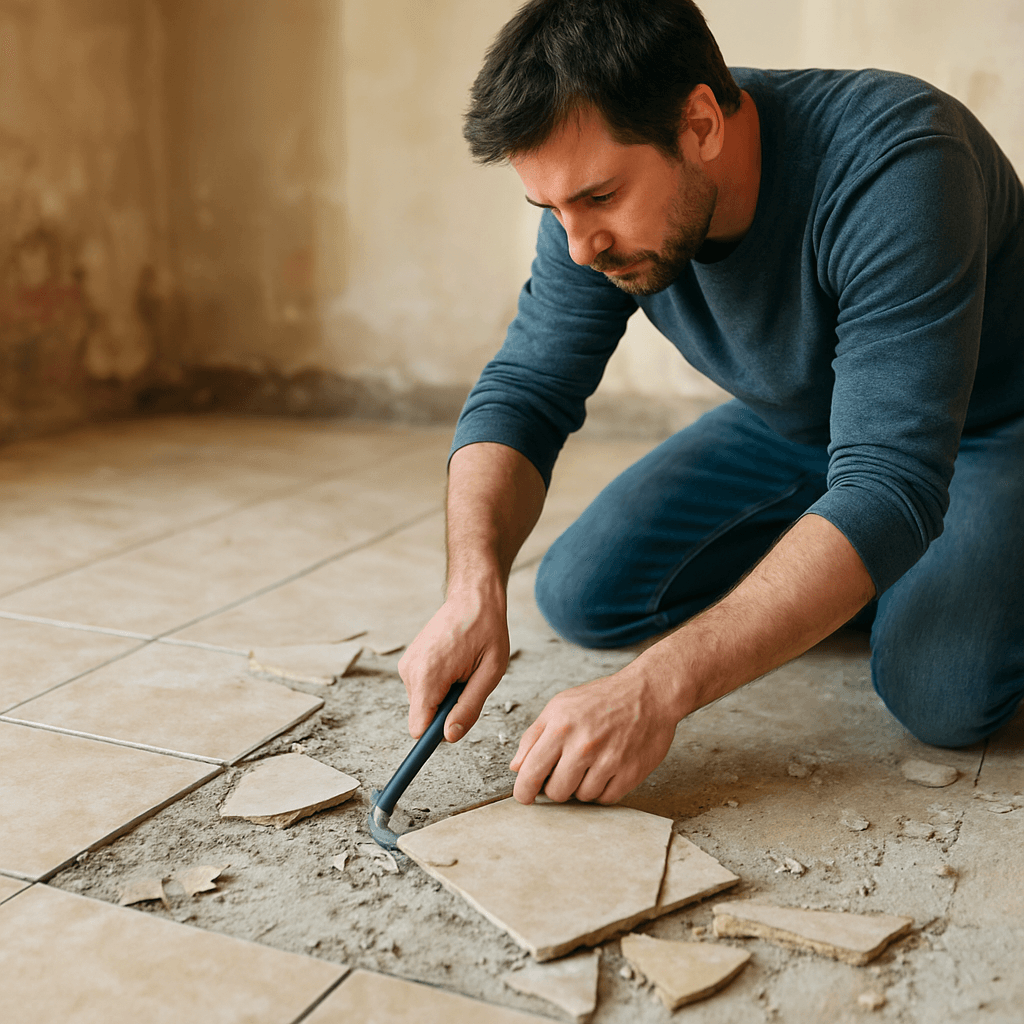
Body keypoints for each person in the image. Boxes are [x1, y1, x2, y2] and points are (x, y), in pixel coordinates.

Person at [398, 0, 1024, 807]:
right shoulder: (584, 214)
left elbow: (890, 481)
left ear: (699, 123)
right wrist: (472, 586)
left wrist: (657, 688)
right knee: (583, 592)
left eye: (599, 197)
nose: (579, 245)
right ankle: (864, 572)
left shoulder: (900, 163)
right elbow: (526, 390)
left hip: (990, 424)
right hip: (813, 423)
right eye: (551, 210)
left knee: (941, 691)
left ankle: (900, 574)